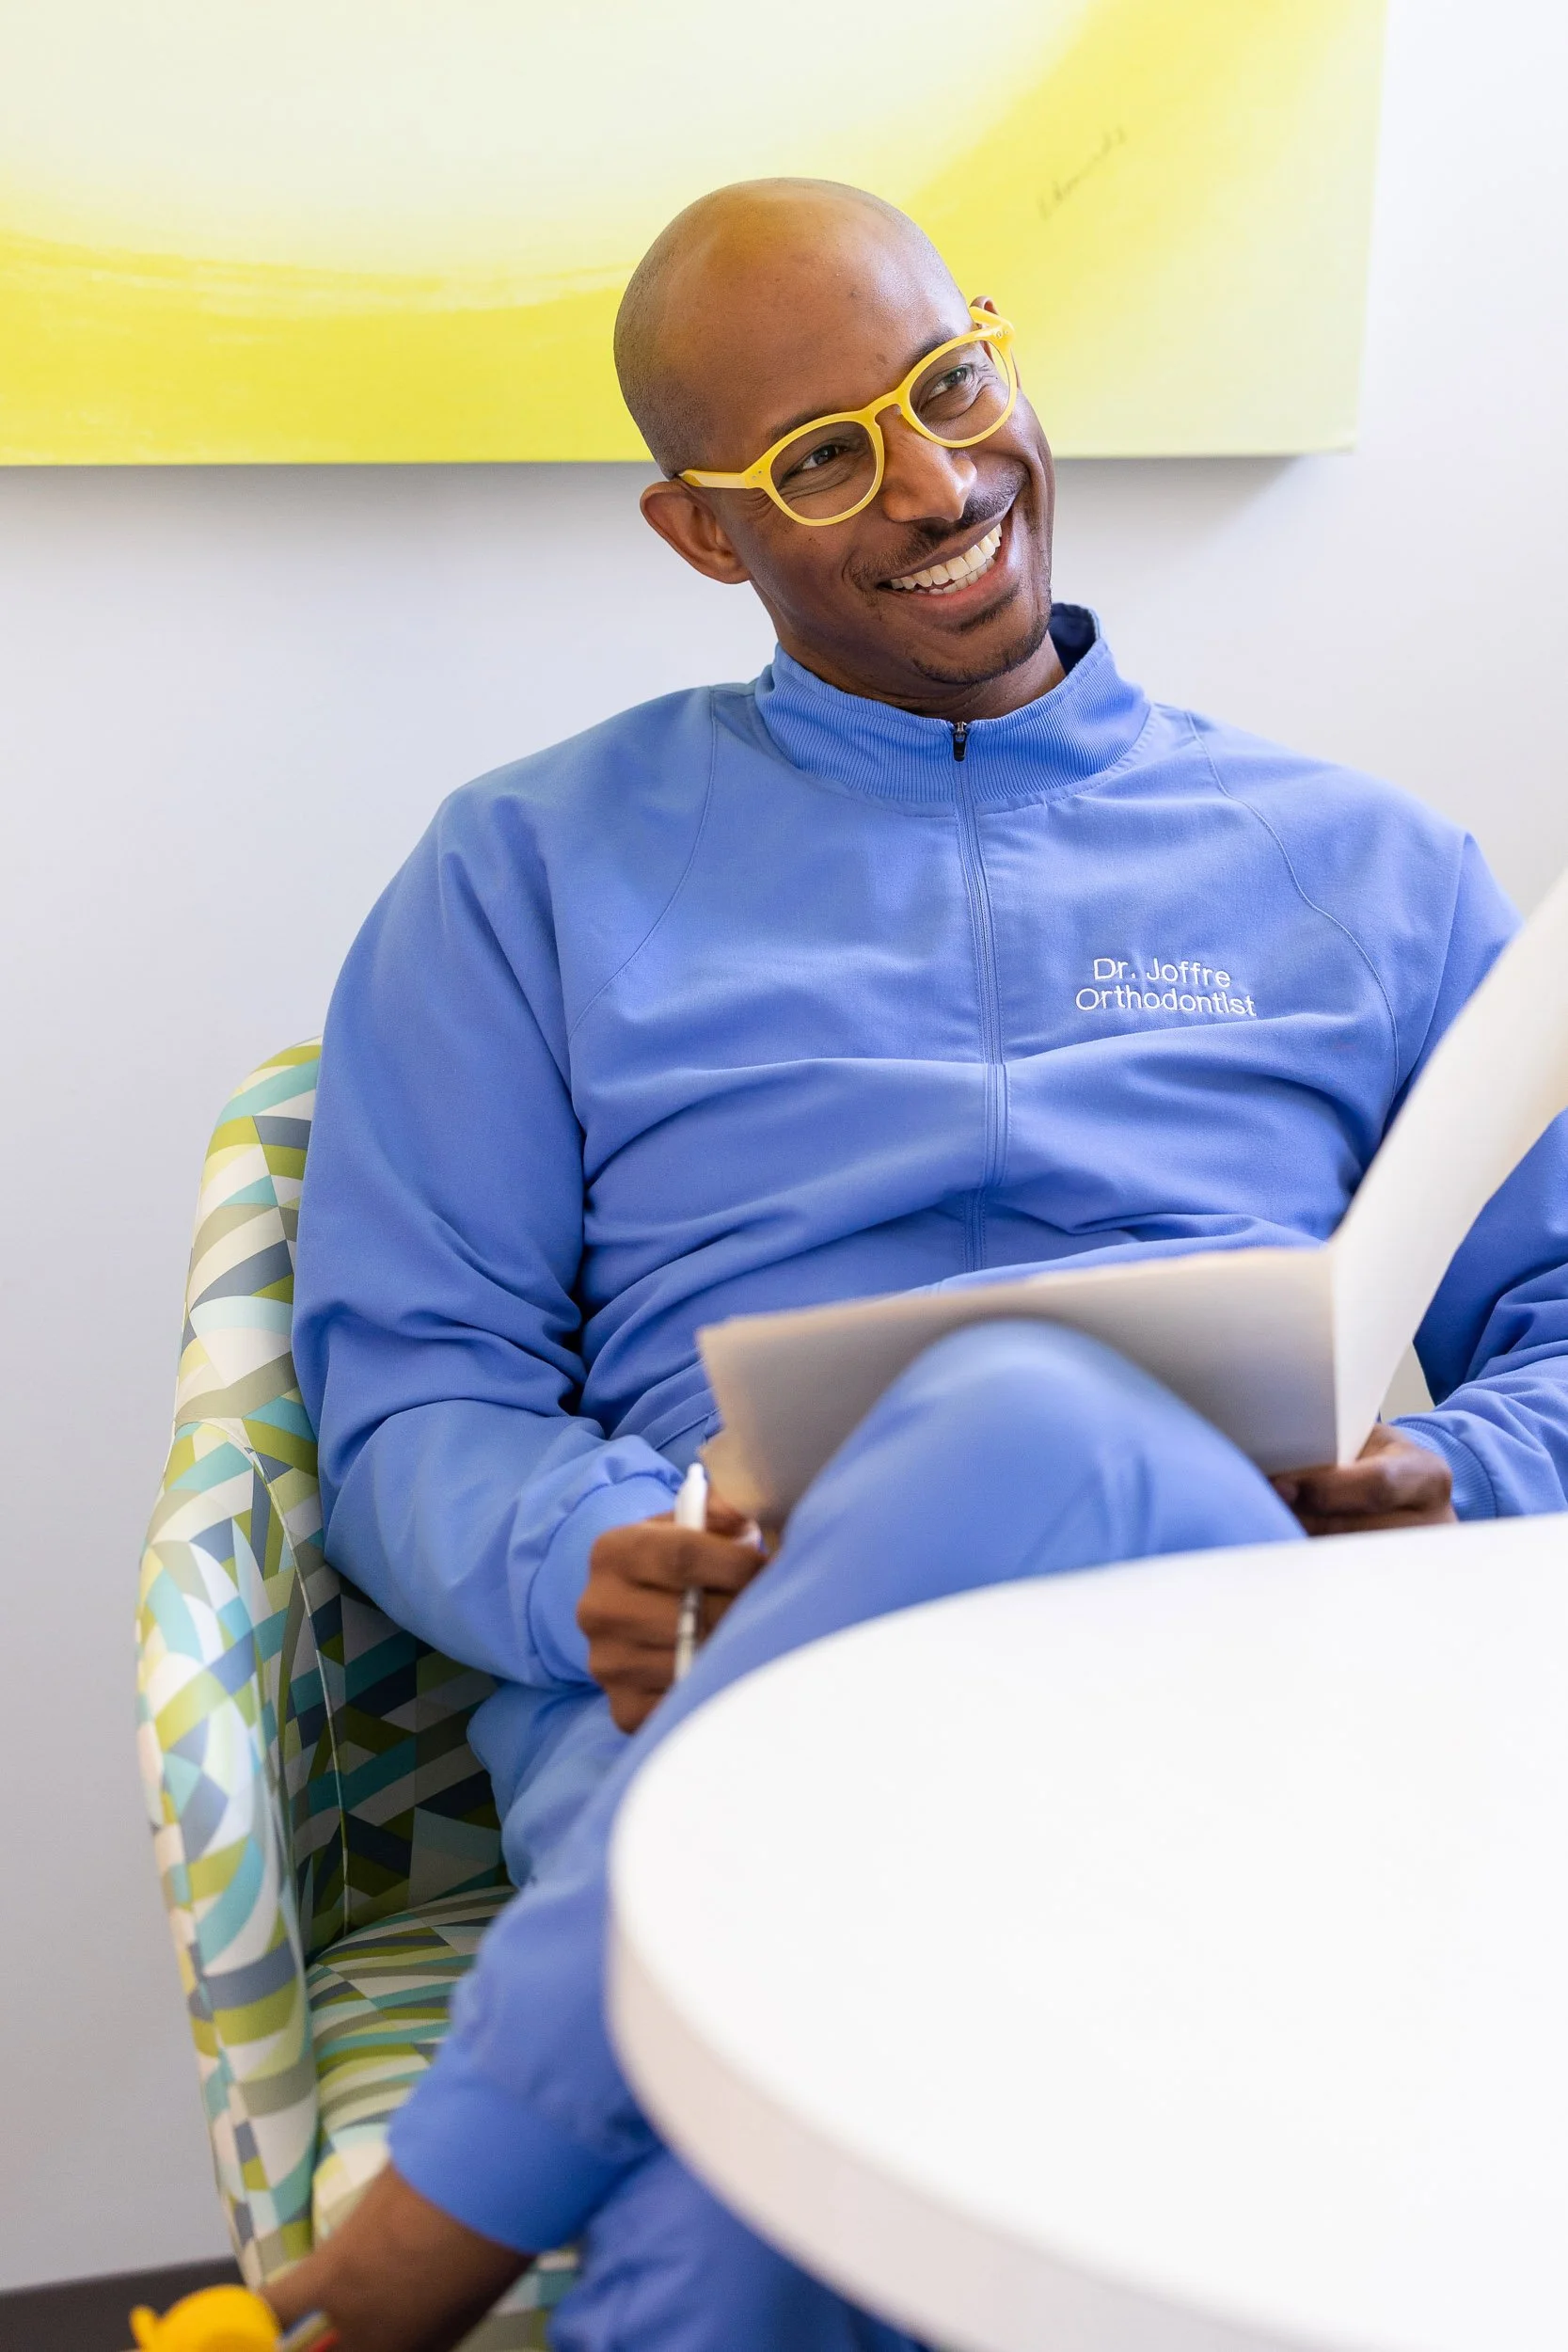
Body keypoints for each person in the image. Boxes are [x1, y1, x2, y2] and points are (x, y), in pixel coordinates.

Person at [277, 179, 1568, 2349]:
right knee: (801, 2124)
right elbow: (413, 1388)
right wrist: (605, 1543)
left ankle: (417, 2238)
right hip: (729, 1660)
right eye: (817, 457)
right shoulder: (519, 870)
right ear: (701, 533)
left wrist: (1457, 1483)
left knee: (1013, 1424)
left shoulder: (1365, 865)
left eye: (946, 384)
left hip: (1237, 1657)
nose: (936, 482)